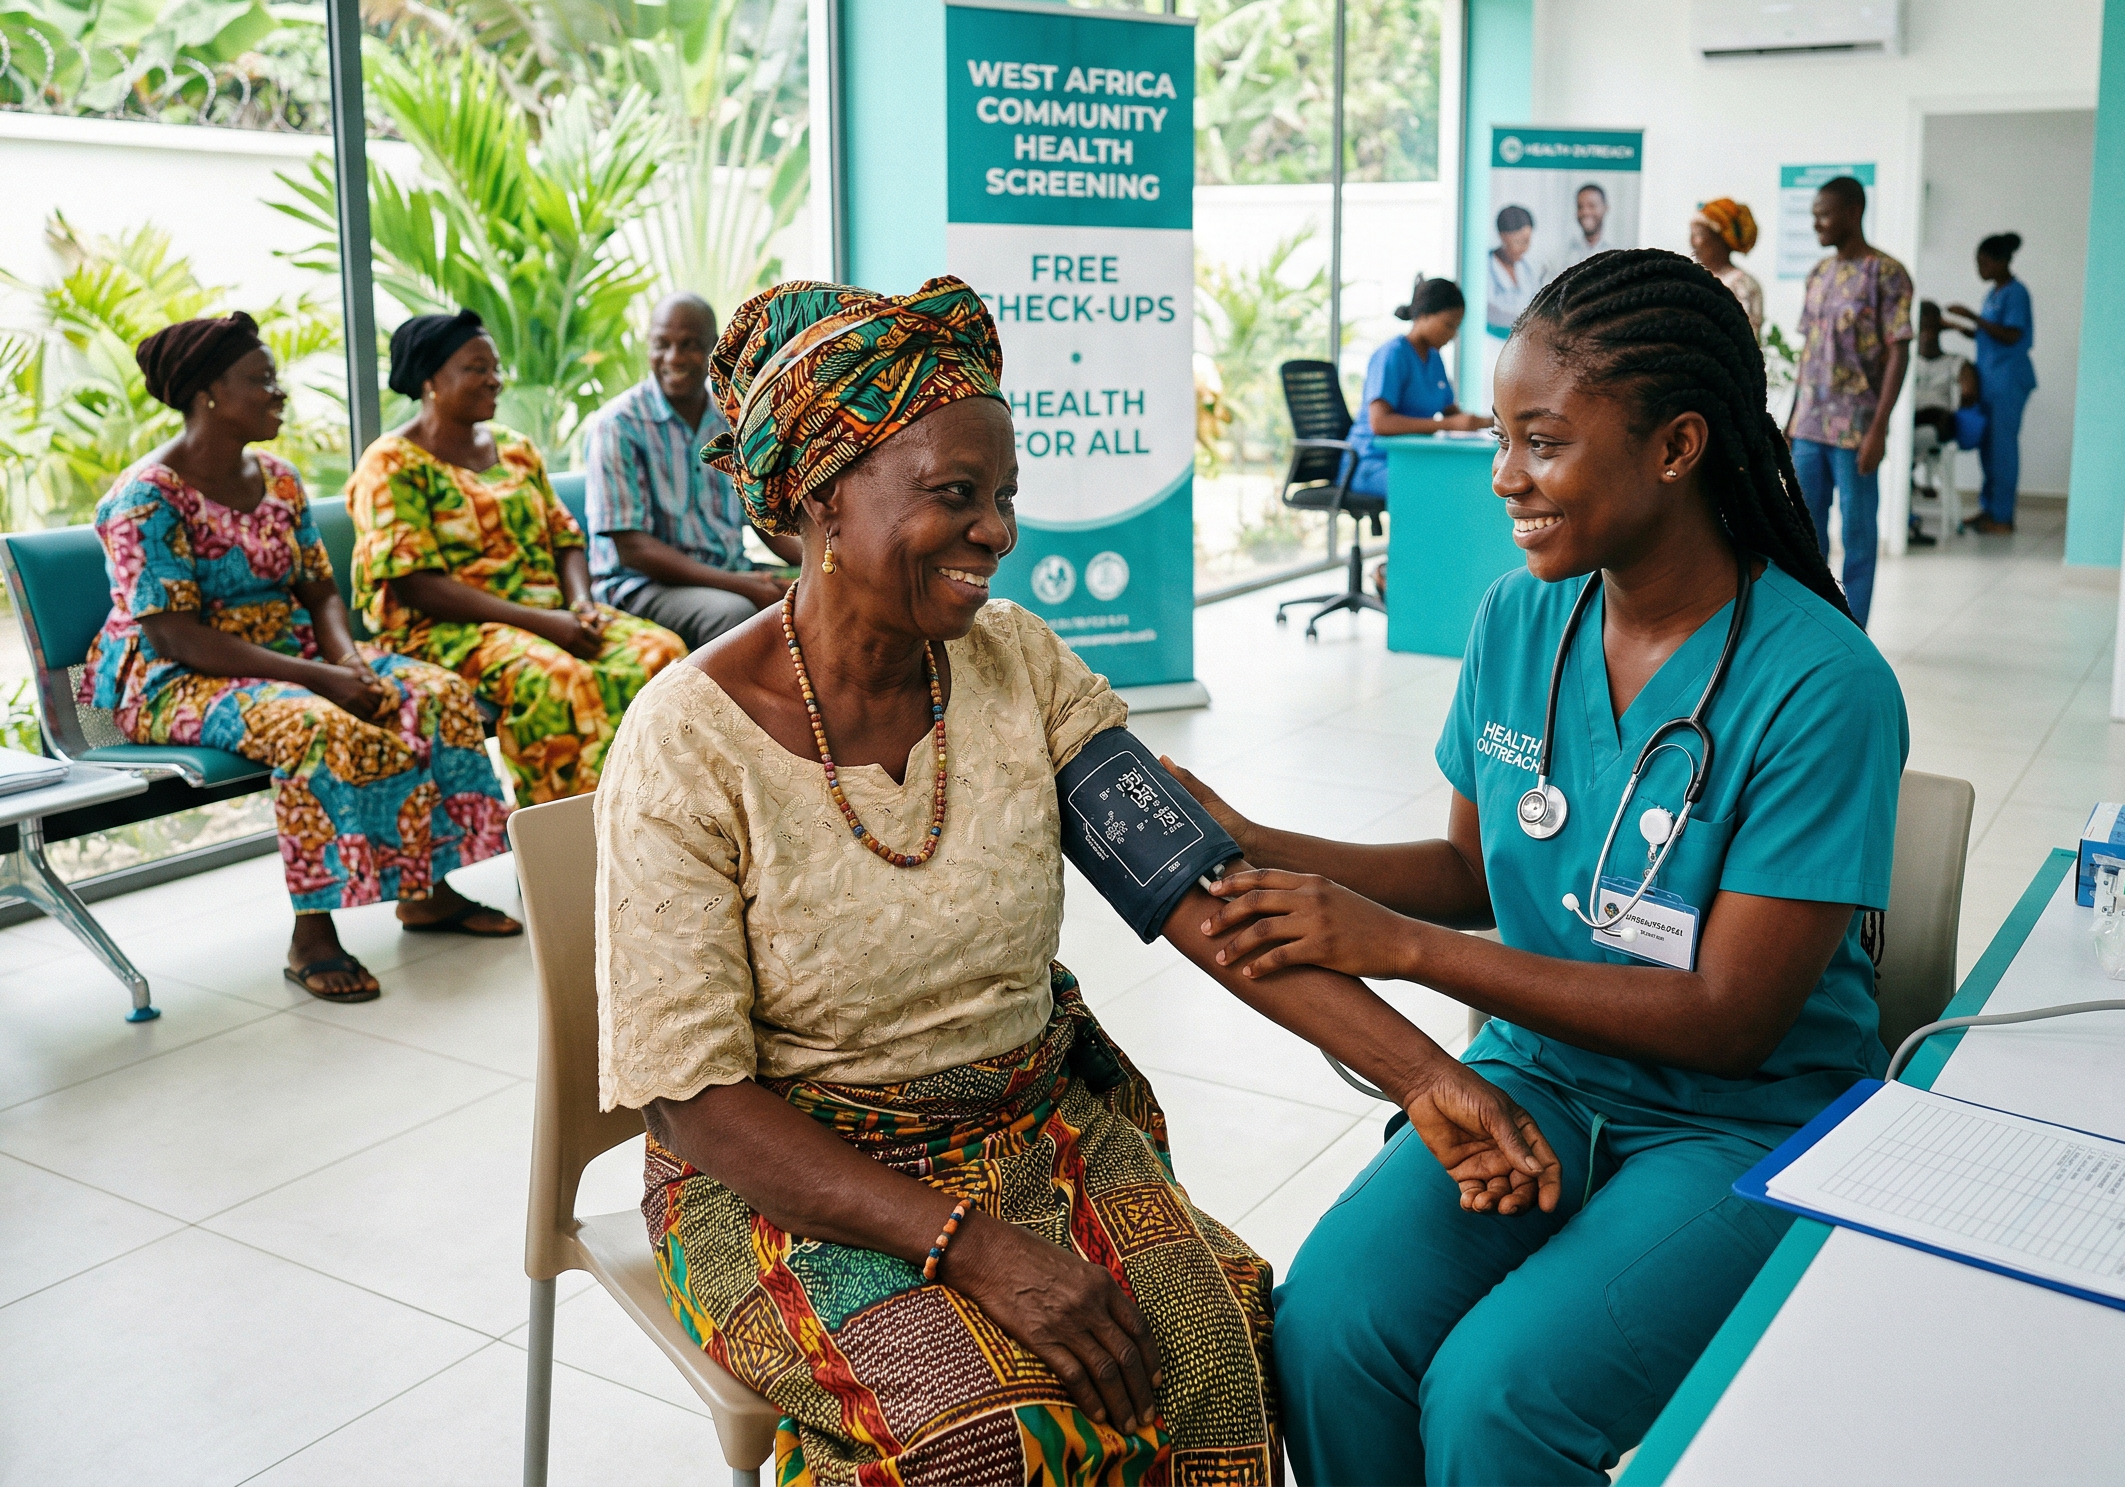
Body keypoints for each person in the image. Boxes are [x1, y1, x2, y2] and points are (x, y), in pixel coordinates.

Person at [596, 276, 1563, 1487]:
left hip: (1029, 1124)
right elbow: (689, 1099)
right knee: (988, 1442)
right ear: (818, 497)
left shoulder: (1019, 667)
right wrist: (967, 1246)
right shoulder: (686, 743)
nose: (998, 532)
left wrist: (1426, 1077)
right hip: (787, 1183)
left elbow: (1209, 904)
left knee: (1222, 1358)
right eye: (955, 494)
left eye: (1004, 497)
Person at [1168, 250, 1906, 1485]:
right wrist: (1254, 836)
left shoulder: (1824, 686)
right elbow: (1472, 867)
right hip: (1539, 1073)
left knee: (1496, 1398)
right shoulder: (1521, 615)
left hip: (1735, 1122)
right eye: (1504, 435)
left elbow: (1729, 1021)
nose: (1505, 475)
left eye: (1544, 442)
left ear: (1677, 446)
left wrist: (1400, 948)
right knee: (1324, 1330)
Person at [87, 314, 514, 1005]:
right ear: (208, 394)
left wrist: (353, 665)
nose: (278, 392)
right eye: (260, 381)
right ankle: (311, 935)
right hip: (175, 678)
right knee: (315, 723)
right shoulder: (145, 498)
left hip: (292, 652)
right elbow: (176, 637)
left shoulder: (280, 480)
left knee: (434, 694)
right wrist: (323, 679)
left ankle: (429, 892)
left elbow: (321, 594)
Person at [349, 310, 684, 806]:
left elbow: (565, 537)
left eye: (495, 367)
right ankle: (561, 857)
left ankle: (657, 819)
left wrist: (580, 607)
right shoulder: (391, 463)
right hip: (444, 629)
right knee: (557, 682)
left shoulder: (516, 450)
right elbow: (416, 586)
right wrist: (545, 624)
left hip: (548, 614)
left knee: (664, 654)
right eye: (476, 368)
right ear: (429, 381)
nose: (495, 380)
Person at [584, 293, 809, 650]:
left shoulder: (732, 419)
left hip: (730, 572)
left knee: (825, 595)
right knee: (733, 613)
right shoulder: (618, 425)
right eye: (662, 344)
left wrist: (822, 563)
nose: (673, 358)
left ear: (713, 349)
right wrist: (740, 584)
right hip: (643, 587)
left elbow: (761, 517)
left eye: (689, 345)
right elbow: (634, 550)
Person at [1787, 175, 1912, 625]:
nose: (1816, 223)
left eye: (1823, 213)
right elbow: (1808, 351)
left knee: (1858, 535)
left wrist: (1879, 428)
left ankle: (1853, 632)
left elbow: (1900, 349)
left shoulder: (1887, 273)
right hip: (1808, 429)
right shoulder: (1818, 274)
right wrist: (1789, 420)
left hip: (1857, 428)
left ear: (1852, 212)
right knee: (1806, 535)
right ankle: (1815, 627)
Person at [1343, 277, 1490, 500]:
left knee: (1466, 478)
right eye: (1448, 325)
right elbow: (1379, 423)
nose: (1452, 335)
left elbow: (1452, 413)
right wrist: (1448, 424)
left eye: (1456, 328)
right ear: (1423, 316)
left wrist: (1490, 422)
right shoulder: (1392, 355)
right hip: (1371, 463)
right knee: (1436, 490)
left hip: (1410, 460)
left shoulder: (1434, 359)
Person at [1944, 231, 2036, 534]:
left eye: (1983, 263)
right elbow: (1990, 335)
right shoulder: (1994, 293)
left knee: (2002, 450)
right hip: (1991, 378)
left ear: (2000, 261)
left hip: (2008, 381)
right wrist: (1959, 327)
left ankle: (2003, 517)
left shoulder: (2016, 293)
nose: (1979, 269)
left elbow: (2012, 335)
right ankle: (1989, 510)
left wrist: (1973, 317)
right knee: (1989, 448)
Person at [1905, 303, 1982, 547]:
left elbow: (1970, 391)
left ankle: (1909, 494)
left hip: (1935, 425)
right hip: (1908, 424)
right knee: (1901, 439)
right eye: (1922, 327)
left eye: (1932, 327)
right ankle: (1908, 497)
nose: (1926, 333)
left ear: (1941, 328)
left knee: (1921, 434)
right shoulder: (1906, 360)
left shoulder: (1955, 362)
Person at [1688, 196, 1765, 336]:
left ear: (1722, 239)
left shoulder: (1743, 285)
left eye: (1698, 234)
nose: (1692, 242)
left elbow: (1745, 341)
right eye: (1691, 234)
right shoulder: (1694, 278)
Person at [1486, 204, 1543, 334]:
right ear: (1502, 237)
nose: (1524, 248)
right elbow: (1491, 312)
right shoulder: (1485, 268)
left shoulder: (1527, 269)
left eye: (1527, 242)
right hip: (1492, 342)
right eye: (1519, 242)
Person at [1566, 182, 1610, 266]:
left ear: (1605, 208)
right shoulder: (1562, 256)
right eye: (1580, 207)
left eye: (1592, 206)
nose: (1585, 212)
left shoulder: (1619, 251)